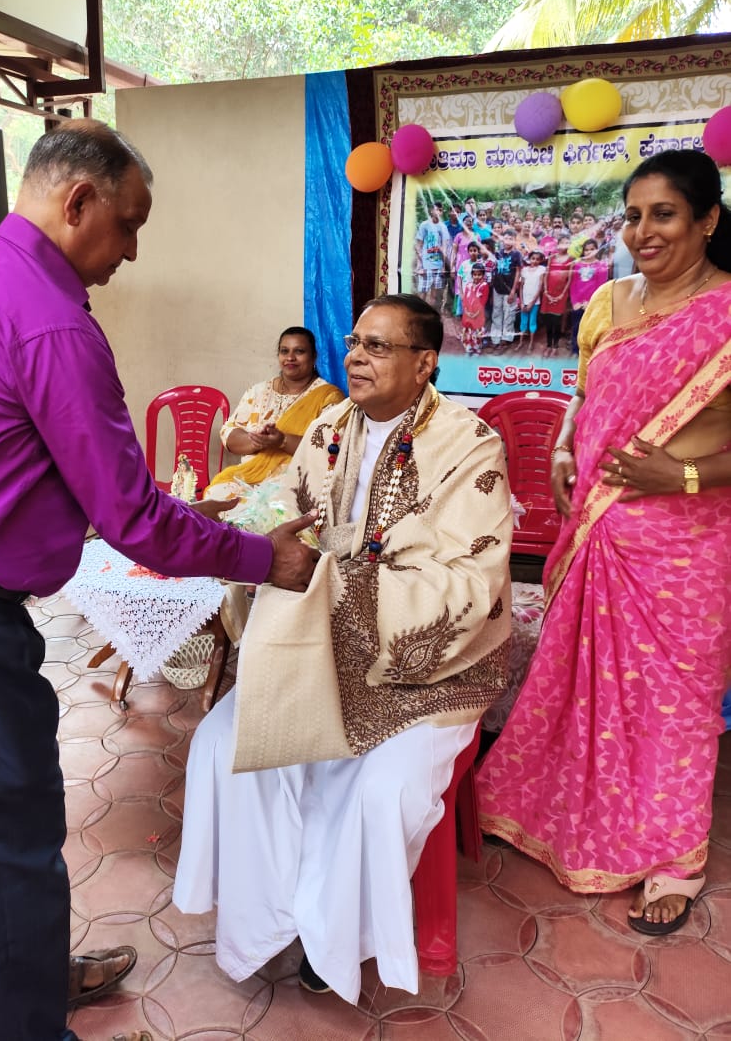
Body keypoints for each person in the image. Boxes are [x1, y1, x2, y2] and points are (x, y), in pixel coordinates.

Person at [0, 120, 319, 1041]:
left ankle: (32, 976)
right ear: (78, 202)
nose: (131, 252)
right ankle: (27, 1019)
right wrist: (263, 557)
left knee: (11, 821)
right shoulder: (50, 319)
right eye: (129, 224)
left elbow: (37, 466)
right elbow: (133, 517)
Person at [174, 293, 513, 1003]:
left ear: (425, 363)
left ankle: (335, 938)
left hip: (428, 667)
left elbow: (470, 585)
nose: (356, 356)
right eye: (355, 342)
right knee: (222, 744)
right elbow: (283, 513)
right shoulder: (330, 427)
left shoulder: (468, 444)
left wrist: (333, 584)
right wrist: (229, 532)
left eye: (379, 346)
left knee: (378, 789)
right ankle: (265, 918)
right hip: (320, 646)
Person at [478, 148, 731, 937]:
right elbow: (583, 396)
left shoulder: (726, 313)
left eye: (664, 214)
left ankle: (672, 858)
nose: (643, 231)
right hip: (596, 528)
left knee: (673, 702)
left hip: (687, 545)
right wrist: (563, 448)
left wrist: (678, 476)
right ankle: (553, 812)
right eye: (633, 216)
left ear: (707, 221)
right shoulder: (607, 304)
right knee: (580, 682)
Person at [205, 326, 343, 499]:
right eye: (284, 351)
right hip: (249, 478)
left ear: (313, 356)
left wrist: (282, 441)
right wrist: (257, 441)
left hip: (296, 483)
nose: (290, 357)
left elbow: (329, 448)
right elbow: (228, 434)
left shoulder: (329, 397)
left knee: (271, 507)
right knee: (216, 495)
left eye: (299, 351)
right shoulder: (258, 392)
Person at [568, 237, 610, 353]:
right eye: (586, 250)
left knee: (590, 328)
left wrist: (591, 302)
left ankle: (587, 351)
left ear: (597, 250)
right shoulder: (577, 265)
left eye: (592, 249)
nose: (589, 252)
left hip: (592, 303)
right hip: (578, 303)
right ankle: (575, 350)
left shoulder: (601, 266)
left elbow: (601, 287)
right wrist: (575, 302)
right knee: (576, 326)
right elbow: (573, 284)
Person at [414, 200, 451, 313]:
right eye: (435, 209)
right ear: (431, 211)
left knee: (434, 295)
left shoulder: (443, 227)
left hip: (438, 265)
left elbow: (444, 247)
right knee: (422, 293)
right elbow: (418, 245)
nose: (438, 211)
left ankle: (430, 315)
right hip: (426, 265)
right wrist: (420, 265)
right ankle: (419, 314)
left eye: (440, 210)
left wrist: (444, 266)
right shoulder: (424, 225)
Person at [489, 227, 523, 350]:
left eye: (511, 239)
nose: (507, 241)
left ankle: (506, 338)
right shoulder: (498, 253)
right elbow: (494, 270)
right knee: (496, 312)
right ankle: (496, 338)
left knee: (509, 313)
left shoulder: (517, 254)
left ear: (514, 240)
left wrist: (513, 290)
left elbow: (518, 272)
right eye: (506, 238)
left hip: (509, 289)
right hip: (498, 288)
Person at [540, 235, 572, 356]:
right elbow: (546, 275)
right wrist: (545, 291)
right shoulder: (551, 257)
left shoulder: (571, 259)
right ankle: (548, 345)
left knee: (557, 321)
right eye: (562, 242)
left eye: (567, 242)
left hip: (560, 294)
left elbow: (569, 280)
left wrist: (562, 295)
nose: (564, 245)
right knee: (548, 321)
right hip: (548, 293)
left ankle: (555, 346)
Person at [517, 248, 546, 355]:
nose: (535, 261)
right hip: (524, 301)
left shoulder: (541, 269)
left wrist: (532, 303)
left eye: (537, 259)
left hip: (534, 302)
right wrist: (521, 302)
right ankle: (521, 342)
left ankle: (531, 343)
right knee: (523, 322)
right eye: (533, 258)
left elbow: (540, 287)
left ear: (540, 260)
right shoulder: (524, 270)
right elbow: (521, 287)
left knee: (532, 322)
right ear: (529, 259)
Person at [460, 261, 490, 355]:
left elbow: (483, 301)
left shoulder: (484, 286)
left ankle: (477, 348)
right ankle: (469, 346)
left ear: (483, 275)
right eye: (475, 274)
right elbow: (465, 300)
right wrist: (466, 311)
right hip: (468, 313)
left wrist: (476, 314)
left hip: (478, 314)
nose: (477, 277)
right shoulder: (468, 285)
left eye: (479, 275)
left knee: (477, 331)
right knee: (468, 331)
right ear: (472, 275)